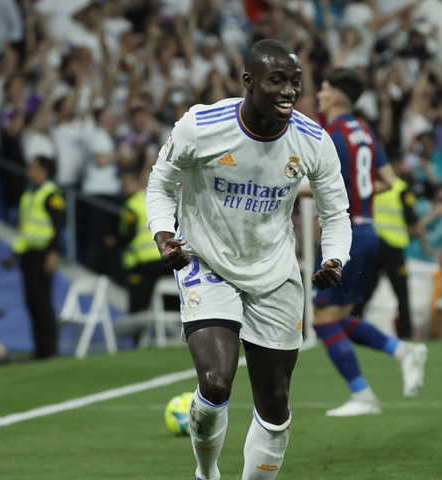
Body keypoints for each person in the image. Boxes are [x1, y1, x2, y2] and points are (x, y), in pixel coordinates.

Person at [146, 39, 353, 480]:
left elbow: (336, 212)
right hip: (208, 263)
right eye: (277, 80)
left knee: (275, 406)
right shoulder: (201, 125)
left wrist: (335, 257)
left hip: (275, 274)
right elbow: (160, 184)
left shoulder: (314, 140)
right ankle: (207, 473)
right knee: (216, 382)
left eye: (295, 82)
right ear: (248, 82)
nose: (288, 92)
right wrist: (165, 236)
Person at [311, 67, 428, 417]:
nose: (319, 94)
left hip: (344, 236)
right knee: (342, 316)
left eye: (324, 87)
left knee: (322, 319)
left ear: (334, 97)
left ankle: (363, 394)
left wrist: (279, 194)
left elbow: (319, 185)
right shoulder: (363, 130)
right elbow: (389, 180)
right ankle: (402, 351)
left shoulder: (329, 134)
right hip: (367, 232)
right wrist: (356, 195)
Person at [0, 155, 65, 360]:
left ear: (44, 171)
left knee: (42, 301)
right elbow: (25, 230)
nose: (29, 172)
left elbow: (58, 226)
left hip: (42, 254)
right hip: (28, 255)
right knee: (32, 302)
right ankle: (40, 349)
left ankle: (50, 349)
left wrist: (53, 253)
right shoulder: (28, 195)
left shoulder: (51, 193)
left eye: (33, 168)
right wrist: (15, 254)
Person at [358, 159, 419, 339]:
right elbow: (412, 221)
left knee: (364, 291)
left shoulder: (370, 186)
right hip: (393, 247)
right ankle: (406, 333)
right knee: (401, 293)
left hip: (373, 244)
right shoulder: (401, 188)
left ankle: (351, 329)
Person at [116, 168, 174, 345]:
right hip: (160, 258)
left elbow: (129, 234)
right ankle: (171, 334)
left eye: (126, 183)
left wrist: (116, 241)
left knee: (138, 305)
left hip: (140, 262)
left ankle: (137, 341)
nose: (123, 187)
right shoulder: (150, 201)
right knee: (163, 300)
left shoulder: (131, 206)